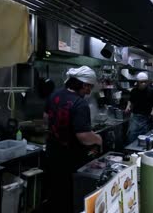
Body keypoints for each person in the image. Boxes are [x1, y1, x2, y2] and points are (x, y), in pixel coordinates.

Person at [44, 66, 103, 213]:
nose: (89, 91)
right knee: (70, 197)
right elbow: (83, 136)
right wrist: (97, 138)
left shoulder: (54, 95)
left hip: (52, 153)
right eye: (89, 87)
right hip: (70, 160)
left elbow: (46, 118)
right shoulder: (80, 103)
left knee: (55, 193)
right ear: (83, 84)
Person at [125, 72, 153, 143]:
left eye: (145, 82)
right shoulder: (134, 91)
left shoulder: (151, 91)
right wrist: (128, 107)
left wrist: (151, 114)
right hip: (135, 118)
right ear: (137, 82)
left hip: (146, 118)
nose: (143, 84)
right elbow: (130, 100)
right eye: (141, 82)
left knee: (146, 138)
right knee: (132, 137)